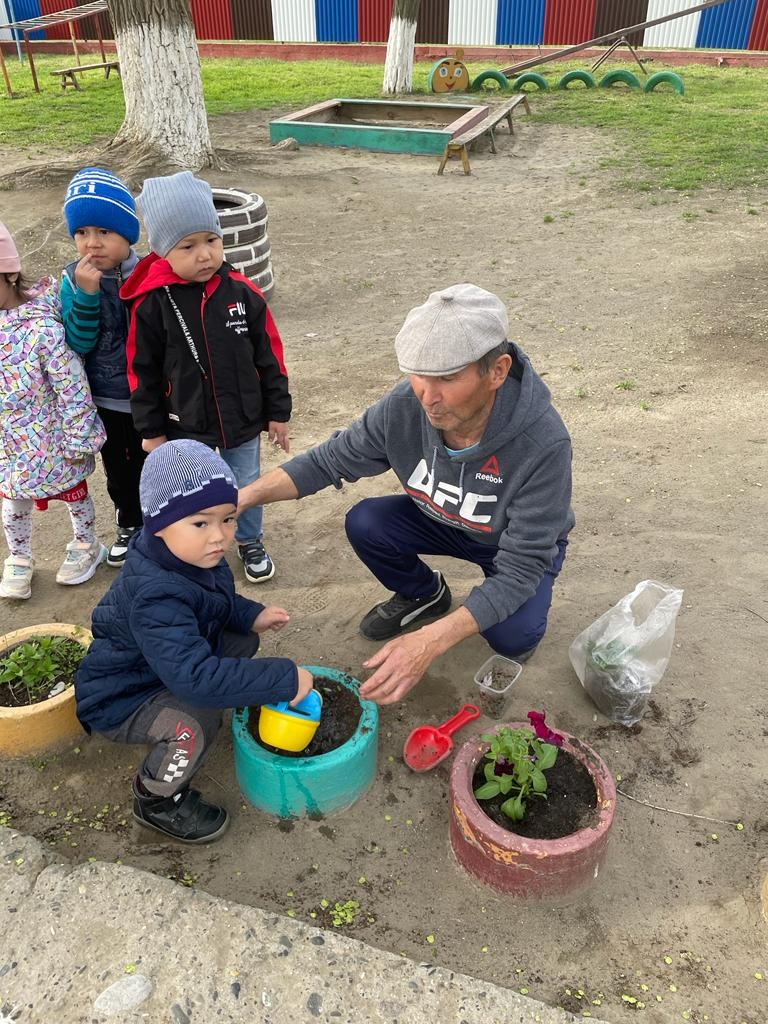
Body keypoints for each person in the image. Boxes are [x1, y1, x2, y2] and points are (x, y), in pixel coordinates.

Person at [237, 283, 575, 705]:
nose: (428, 398)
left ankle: (485, 618)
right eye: (418, 375)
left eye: (448, 379)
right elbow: (327, 461)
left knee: (511, 637)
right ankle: (425, 593)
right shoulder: (404, 406)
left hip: (508, 545)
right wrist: (243, 497)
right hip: (442, 519)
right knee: (366, 522)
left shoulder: (543, 442)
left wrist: (429, 643)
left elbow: (523, 567)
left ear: (498, 371)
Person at [75, 439, 314, 844]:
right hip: (123, 698)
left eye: (229, 519)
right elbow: (193, 680)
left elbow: (216, 602)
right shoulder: (156, 594)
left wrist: (249, 613)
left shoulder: (193, 556)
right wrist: (283, 679)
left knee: (239, 639)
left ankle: (205, 698)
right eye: (201, 523)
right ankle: (155, 799)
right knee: (196, 723)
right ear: (158, 524)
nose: (219, 537)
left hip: (161, 668)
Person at [121, 171, 291, 585]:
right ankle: (194, 547)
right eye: (188, 246)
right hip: (186, 422)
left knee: (245, 482)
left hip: (243, 417)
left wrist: (278, 412)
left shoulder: (242, 293)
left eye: (211, 241)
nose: (204, 255)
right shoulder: (151, 303)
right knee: (192, 489)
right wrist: (151, 430)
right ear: (162, 251)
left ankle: (249, 540)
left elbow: (270, 356)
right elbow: (140, 372)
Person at [0, 219, 107, 600]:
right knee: (13, 501)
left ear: (9, 272)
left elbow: (71, 384)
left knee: (74, 491)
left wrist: (80, 435)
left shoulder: (42, 328)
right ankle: (19, 557)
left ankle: (86, 544)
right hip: (9, 443)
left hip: (53, 437)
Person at [61, 167, 146, 568]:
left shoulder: (152, 272)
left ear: (127, 233)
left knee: (161, 462)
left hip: (152, 395)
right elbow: (79, 342)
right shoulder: (74, 279)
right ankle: (129, 522)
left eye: (103, 232)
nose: (91, 244)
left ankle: (163, 524)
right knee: (120, 468)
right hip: (107, 398)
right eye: (82, 233)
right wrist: (88, 295)